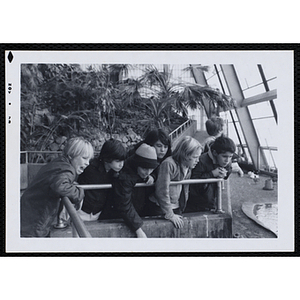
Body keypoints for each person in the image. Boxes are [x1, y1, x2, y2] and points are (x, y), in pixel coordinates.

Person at [21, 137, 94, 237]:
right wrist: (80, 192)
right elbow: (60, 186)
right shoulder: (67, 169)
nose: (87, 163)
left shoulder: (59, 163)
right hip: (35, 223)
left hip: (28, 215)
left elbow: (59, 181)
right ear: (71, 155)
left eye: (89, 159)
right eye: (84, 158)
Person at [148, 136, 202, 228]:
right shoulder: (169, 164)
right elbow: (162, 190)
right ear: (185, 155)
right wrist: (170, 214)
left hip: (176, 206)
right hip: (160, 207)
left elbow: (185, 188)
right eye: (195, 157)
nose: (198, 160)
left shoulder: (188, 166)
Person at [112, 143, 159, 238]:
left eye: (151, 169)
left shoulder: (141, 172)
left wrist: (153, 176)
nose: (148, 172)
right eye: (145, 168)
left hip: (135, 213)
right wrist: (138, 230)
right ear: (137, 164)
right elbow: (124, 203)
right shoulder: (125, 176)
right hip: (118, 217)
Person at [77, 139, 127, 221]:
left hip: (98, 212)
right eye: (118, 161)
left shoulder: (115, 170)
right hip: (83, 211)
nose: (121, 164)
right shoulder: (90, 168)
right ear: (107, 158)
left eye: (123, 161)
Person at [187, 136, 236, 212]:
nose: (227, 160)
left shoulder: (227, 160)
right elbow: (194, 181)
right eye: (224, 156)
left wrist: (225, 173)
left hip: (212, 200)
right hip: (197, 202)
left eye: (230, 157)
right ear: (215, 153)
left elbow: (228, 170)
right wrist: (212, 174)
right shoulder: (201, 161)